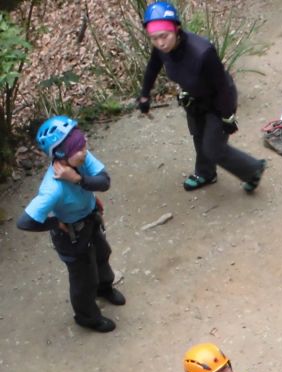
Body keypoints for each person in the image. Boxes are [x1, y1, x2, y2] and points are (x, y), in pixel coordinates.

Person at [137, 2, 267, 193]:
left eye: (164, 36)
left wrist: (227, 116)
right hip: (194, 98)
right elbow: (152, 67)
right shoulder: (161, 49)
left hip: (218, 100)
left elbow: (222, 86)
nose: (160, 43)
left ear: (177, 29)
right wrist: (144, 95)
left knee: (214, 148)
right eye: (154, 38)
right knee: (198, 136)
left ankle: (253, 169)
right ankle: (206, 173)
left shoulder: (202, 52)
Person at [16, 116, 125, 333]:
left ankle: (104, 288)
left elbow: (104, 182)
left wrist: (78, 180)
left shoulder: (82, 158)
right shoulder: (52, 188)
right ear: (62, 154)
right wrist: (56, 222)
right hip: (71, 236)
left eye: (83, 143)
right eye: (79, 147)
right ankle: (87, 317)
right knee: (83, 278)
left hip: (90, 219)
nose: (85, 149)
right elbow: (25, 221)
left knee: (102, 254)